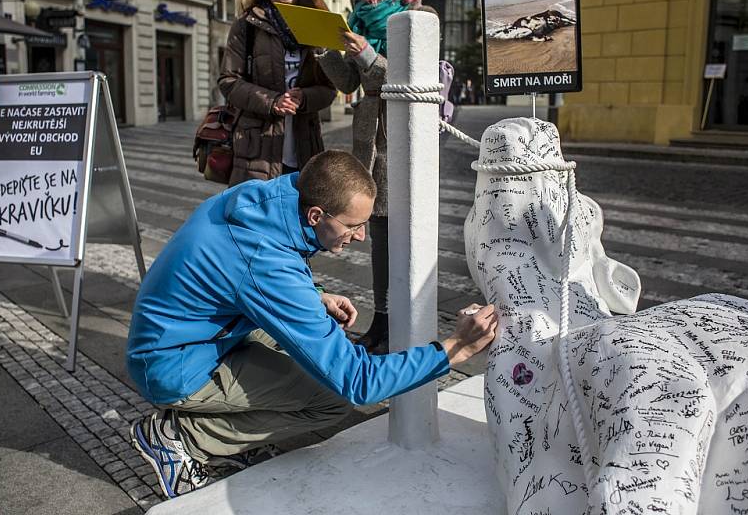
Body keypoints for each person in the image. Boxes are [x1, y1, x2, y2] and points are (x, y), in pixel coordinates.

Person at [126, 150, 498, 498]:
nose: (362, 236)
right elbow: (358, 382)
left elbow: (243, 273)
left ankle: (219, 424)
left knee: (317, 353)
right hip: (173, 365)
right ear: (317, 215)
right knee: (330, 399)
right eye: (353, 225)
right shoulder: (265, 261)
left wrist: (313, 294)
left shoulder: (273, 197)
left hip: (195, 334)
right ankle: (182, 436)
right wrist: (455, 349)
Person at [316, 0, 431, 354]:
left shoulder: (418, 15)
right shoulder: (358, 17)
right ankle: (383, 325)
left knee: (400, 237)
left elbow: (410, 81)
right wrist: (325, 50)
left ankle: (401, 323)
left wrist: (366, 54)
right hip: (369, 138)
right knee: (378, 235)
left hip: (401, 136)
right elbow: (349, 83)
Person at [218, 0, 336, 186]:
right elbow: (228, 81)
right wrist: (272, 101)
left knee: (298, 215)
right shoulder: (247, 25)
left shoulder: (318, 26)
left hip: (304, 145)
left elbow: (329, 89)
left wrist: (304, 97)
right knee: (256, 215)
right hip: (257, 147)